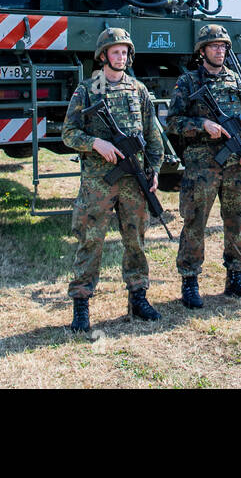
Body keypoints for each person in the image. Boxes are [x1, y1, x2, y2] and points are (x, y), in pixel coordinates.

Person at [61, 27, 164, 333]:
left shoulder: (138, 89)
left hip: (134, 180)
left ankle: (138, 297)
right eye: (115, 52)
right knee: (91, 240)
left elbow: (152, 135)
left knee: (136, 240)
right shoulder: (87, 90)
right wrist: (95, 143)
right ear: (103, 55)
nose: (121, 57)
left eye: (124, 52)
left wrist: (154, 169)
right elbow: (68, 133)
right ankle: (81, 303)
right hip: (99, 181)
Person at [167, 24, 241, 308]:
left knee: (236, 219)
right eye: (214, 46)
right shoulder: (188, 82)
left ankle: (235, 276)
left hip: (234, 164)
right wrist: (202, 125)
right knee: (195, 222)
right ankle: (190, 280)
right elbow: (173, 122)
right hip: (202, 165)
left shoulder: (235, 79)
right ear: (202, 51)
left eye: (223, 46)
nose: (219, 51)